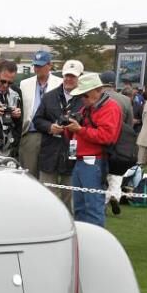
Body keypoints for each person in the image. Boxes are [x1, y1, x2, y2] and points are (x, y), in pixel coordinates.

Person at [64, 73, 122, 227]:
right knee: (80, 207)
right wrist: (67, 127)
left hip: (94, 161)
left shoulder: (110, 108)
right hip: (81, 160)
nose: (82, 98)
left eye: (85, 95)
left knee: (93, 207)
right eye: (81, 95)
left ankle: (95, 239)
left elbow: (106, 137)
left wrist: (79, 129)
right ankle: (83, 238)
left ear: (98, 90)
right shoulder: (88, 108)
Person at [33, 60, 84, 210]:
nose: (68, 79)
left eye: (73, 76)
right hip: (50, 150)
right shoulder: (49, 96)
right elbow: (37, 120)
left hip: (73, 151)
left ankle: (70, 221)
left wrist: (77, 128)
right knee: (47, 195)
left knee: (71, 195)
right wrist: (50, 127)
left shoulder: (85, 99)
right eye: (66, 75)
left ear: (80, 77)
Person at [18, 51, 62, 178]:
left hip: (52, 135)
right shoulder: (24, 84)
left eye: (41, 65)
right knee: (28, 175)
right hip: (30, 134)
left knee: (48, 175)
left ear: (49, 65)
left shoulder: (60, 83)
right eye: (35, 65)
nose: (37, 68)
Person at [100, 71, 136, 216]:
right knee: (116, 174)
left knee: (100, 173)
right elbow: (129, 125)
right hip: (119, 141)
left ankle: (102, 201)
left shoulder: (97, 97)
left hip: (100, 140)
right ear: (114, 83)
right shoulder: (125, 100)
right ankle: (114, 194)